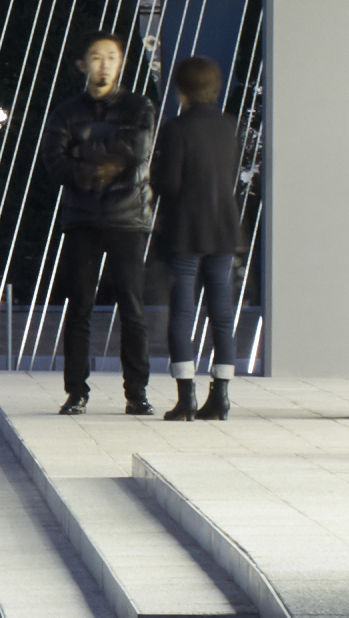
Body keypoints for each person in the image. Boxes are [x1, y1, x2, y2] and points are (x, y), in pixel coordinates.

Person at [37, 30, 156, 414]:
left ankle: (136, 393)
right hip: (82, 217)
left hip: (127, 217)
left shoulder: (139, 107)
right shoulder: (67, 111)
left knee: (132, 309)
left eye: (111, 56)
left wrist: (84, 155)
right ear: (83, 64)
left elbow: (136, 153)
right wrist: (100, 166)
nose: (103, 64)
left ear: (121, 63)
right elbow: (53, 158)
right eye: (96, 56)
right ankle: (76, 391)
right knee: (79, 307)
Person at [150, 52, 250, 420]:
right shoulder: (229, 125)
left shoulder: (177, 129)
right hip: (224, 228)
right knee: (222, 312)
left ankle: (186, 397)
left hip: (187, 230)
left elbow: (168, 183)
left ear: (181, 89)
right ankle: (220, 396)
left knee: (183, 310)